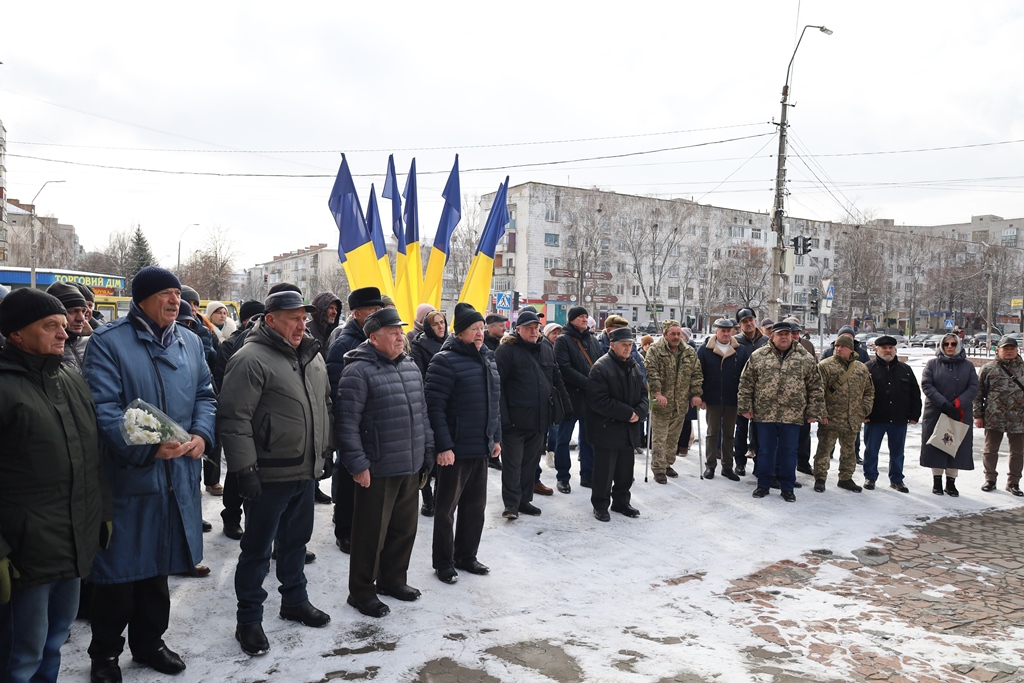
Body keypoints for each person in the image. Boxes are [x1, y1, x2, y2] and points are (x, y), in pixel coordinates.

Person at [82, 266, 216, 682]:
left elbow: (205, 395)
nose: (175, 300)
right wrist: (145, 449)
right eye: (165, 293)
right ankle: (104, 655)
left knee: (158, 571)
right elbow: (102, 408)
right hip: (131, 478)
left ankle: (149, 644)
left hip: (177, 476)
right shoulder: (108, 343)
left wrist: (201, 433)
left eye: (177, 293)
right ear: (142, 299)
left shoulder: (190, 341)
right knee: (118, 576)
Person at [0, 289, 110, 683]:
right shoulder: (5, 388)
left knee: (55, 641)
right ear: (16, 333)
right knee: (20, 655)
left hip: (74, 543)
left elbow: (91, 456)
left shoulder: (69, 380)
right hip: (26, 553)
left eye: (64, 325)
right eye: (51, 326)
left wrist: (102, 516)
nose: (64, 333)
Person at [218, 291, 332, 656]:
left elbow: (325, 404)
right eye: (291, 318)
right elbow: (234, 419)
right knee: (256, 551)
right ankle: (248, 620)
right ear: (270, 319)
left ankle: (294, 600)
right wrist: (244, 470)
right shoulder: (251, 358)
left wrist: (324, 451)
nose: (301, 324)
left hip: (304, 471)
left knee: (296, 543)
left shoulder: (311, 356)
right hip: (268, 475)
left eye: (303, 317)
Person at [336, 308, 433, 618]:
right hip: (377, 467)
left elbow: (422, 412)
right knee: (370, 534)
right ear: (373, 337)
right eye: (392, 332)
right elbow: (346, 424)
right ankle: (361, 592)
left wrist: (427, 449)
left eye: (400, 331)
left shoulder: (410, 366)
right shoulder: (358, 370)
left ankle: (393, 580)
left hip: (410, 462)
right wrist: (358, 464)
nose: (399, 336)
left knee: (404, 529)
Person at [424, 303, 501, 583]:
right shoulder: (445, 360)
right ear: (460, 332)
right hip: (454, 450)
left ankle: (467, 555)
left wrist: (496, 438)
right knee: (445, 510)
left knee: (475, 507)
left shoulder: (488, 359)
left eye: (482, 328)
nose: (480, 334)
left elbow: (495, 404)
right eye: (473, 329)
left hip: (480, 446)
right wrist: (444, 446)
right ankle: (443, 562)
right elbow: (434, 407)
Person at [737, 321, 825, 502]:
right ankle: (763, 485)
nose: (784, 337)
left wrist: (813, 411)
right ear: (772, 336)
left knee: (789, 452)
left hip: (792, 415)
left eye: (787, 334)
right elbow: (746, 383)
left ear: (792, 336)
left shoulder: (804, 358)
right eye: (780, 334)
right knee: (765, 451)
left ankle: (787, 487)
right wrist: (745, 407)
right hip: (764, 414)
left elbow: (815, 387)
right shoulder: (759, 356)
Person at [495, 310, 570, 518]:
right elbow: (497, 386)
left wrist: (565, 405)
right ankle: (511, 505)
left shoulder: (546, 350)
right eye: (528, 327)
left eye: (536, 327)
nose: (533, 331)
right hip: (514, 423)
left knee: (529, 465)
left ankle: (524, 501)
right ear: (518, 329)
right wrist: (504, 418)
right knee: (512, 466)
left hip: (539, 420)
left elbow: (556, 379)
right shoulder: (506, 351)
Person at [326, 287, 384, 554]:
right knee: (349, 480)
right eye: (371, 311)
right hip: (354, 425)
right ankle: (345, 531)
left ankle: (362, 526)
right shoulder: (344, 344)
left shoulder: (380, 339)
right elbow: (335, 389)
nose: (376, 315)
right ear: (356, 314)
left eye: (379, 310)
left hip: (376, 426)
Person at [214, 298, 266, 539]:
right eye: (254, 317)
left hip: (268, 424)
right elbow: (227, 383)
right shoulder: (232, 345)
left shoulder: (271, 343)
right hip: (243, 418)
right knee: (238, 472)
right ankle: (231, 517)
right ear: (245, 320)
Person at [586, 327, 649, 521]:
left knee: (625, 471)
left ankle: (621, 502)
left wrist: (639, 412)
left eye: (630, 344)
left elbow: (643, 395)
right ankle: (600, 505)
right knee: (604, 472)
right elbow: (598, 401)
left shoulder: (634, 365)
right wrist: (627, 413)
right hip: (607, 428)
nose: (628, 348)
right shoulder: (601, 367)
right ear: (612, 345)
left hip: (628, 428)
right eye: (624, 344)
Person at [643, 320, 703, 484]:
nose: (677, 337)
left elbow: (696, 374)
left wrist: (696, 393)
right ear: (664, 335)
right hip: (661, 403)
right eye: (673, 334)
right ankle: (658, 469)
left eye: (678, 334)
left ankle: (667, 463)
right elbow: (651, 372)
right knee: (659, 439)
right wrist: (657, 392)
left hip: (681, 403)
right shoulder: (655, 351)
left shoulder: (689, 352)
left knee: (673, 439)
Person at [812, 336, 874, 493]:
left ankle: (846, 478)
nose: (838, 349)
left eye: (842, 346)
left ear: (851, 349)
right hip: (830, 418)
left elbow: (869, 391)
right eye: (836, 346)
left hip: (852, 419)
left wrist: (864, 409)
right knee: (824, 450)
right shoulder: (825, 366)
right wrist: (822, 413)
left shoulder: (860, 369)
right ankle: (820, 478)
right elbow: (817, 392)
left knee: (849, 451)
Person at [920, 332, 979, 497]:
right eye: (946, 344)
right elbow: (927, 385)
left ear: (958, 345)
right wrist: (944, 403)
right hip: (937, 411)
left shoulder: (968, 366)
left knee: (956, 445)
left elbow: (974, 387)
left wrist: (958, 404)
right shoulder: (932, 364)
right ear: (941, 346)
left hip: (959, 412)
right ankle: (937, 481)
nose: (950, 347)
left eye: (953, 344)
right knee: (937, 444)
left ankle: (951, 482)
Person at [863, 335, 921, 493]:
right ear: (877, 349)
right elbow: (859, 394)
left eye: (890, 348)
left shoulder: (905, 370)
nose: (887, 351)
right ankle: (870, 477)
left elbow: (914, 393)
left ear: (895, 349)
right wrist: (863, 414)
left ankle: (896, 479)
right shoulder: (867, 368)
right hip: (874, 418)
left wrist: (915, 414)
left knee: (897, 451)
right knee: (871, 450)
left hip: (898, 418)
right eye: (884, 348)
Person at [553, 306, 602, 492]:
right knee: (563, 439)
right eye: (580, 316)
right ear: (572, 319)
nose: (584, 319)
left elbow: (599, 363)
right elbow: (563, 368)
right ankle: (563, 477)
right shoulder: (563, 340)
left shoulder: (592, 339)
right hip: (569, 397)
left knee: (588, 439)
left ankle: (587, 476)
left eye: (586, 316)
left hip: (590, 399)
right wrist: (590, 383)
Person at [696, 318, 750, 481]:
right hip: (712, 399)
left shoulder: (741, 350)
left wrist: (744, 399)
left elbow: (746, 376)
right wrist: (701, 396)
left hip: (732, 399)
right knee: (712, 434)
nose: (726, 334)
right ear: (716, 332)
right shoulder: (705, 350)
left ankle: (727, 467)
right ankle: (710, 465)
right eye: (722, 331)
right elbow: (698, 374)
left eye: (729, 331)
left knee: (729, 435)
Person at [975, 336, 1024, 496]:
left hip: (1019, 418)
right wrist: (978, 415)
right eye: (1005, 348)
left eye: (1012, 348)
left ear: (1017, 350)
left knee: (1017, 452)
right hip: (993, 417)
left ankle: (1014, 482)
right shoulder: (989, 368)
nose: (1009, 351)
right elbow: (978, 394)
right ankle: (990, 479)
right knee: (990, 450)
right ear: (998, 350)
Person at [412, 309, 448, 516]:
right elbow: (420, 376)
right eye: (435, 324)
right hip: (427, 406)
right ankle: (427, 497)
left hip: (447, 408)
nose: (440, 327)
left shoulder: (451, 343)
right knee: (428, 455)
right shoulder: (419, 346)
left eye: (442, 322)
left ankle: (440, 495)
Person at [733, 308, 766, 475]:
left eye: (751, 319)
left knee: (760, 429)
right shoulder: (735, 342)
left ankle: (760, 463)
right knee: (741, 429)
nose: (749, 323)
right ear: (740, 325)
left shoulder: (767, 341)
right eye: (745, 321)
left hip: (763, 393)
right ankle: (739, 462)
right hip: (741, 392)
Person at [782, 317, 817, 475]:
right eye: (792, 333)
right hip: (783, 401)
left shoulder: (808, 346)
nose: (795, 336)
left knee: (804, 434)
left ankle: (803, 463)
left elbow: (814, 372)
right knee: (786, 438)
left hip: (802, 399)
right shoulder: (781, 346)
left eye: (797, 333)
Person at [45, 282, 91, 373]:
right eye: (73, 311)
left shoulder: (91, 343)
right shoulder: (45, 349)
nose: (81, 318)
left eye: (83, 311)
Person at [305, 292, 342, 359]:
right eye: (331, 308)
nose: (335, 312)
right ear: (321, 309)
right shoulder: (306, 330)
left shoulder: (337, 333)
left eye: (336, 309)